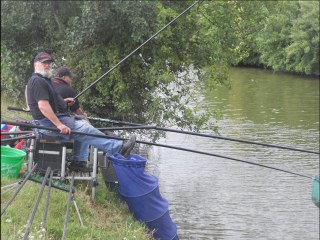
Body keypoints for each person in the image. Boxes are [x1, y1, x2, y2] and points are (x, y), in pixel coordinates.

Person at [26, 52, 136, 171]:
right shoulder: (38, 80)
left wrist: (64, 102)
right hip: (45, 124)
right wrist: (59, 125)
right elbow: (43, 106)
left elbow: (50, 103)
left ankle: (78, 162)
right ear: (36, 64)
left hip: (52, 119)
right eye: (44, 63)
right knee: (85, 130)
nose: (47, 65)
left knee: (83, 123)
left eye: (49, 63)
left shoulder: (45, 80)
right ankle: (119, 148)